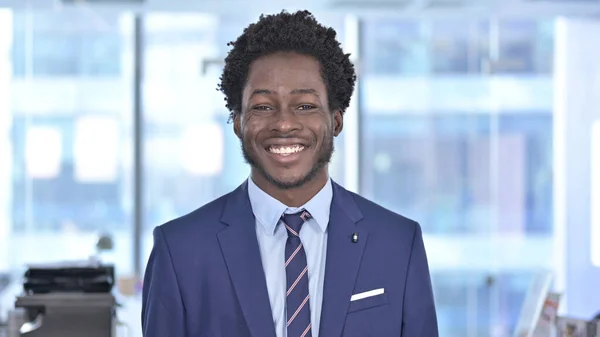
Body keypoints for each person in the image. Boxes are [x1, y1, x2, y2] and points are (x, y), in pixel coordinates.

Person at [141, 9, 438, 337]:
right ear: (238, 122)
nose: (283, 124)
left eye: (305, 106)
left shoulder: (397, 243)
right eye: (263, 107)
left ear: (336, 120)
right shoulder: (180, 250)